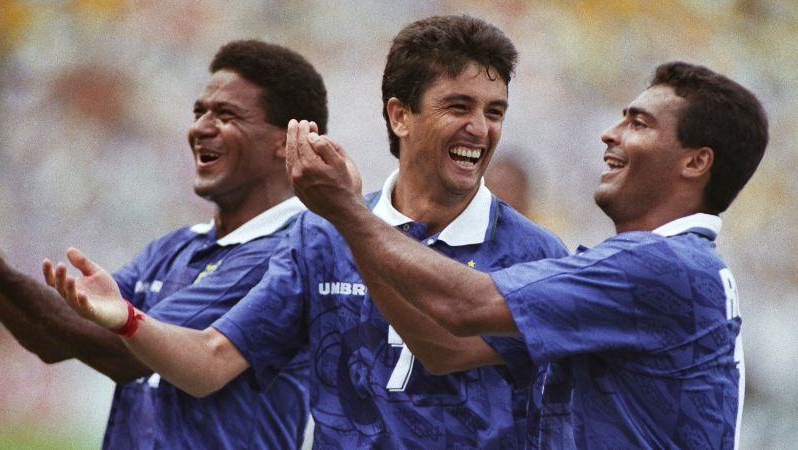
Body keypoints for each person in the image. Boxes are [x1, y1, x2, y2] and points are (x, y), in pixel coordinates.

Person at [45, 15, 569, 449]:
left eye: (493, 112)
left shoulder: (533, 252)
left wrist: (346, 216)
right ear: (400, 115)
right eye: (459, 107)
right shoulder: (318, 236)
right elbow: (210, 361)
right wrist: (128, 320)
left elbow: (445, 348)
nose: (480, 128)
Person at [284, 61, 769, 448]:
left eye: (638, 123)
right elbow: (444, 348)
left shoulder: (664, 266)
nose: (610, 133)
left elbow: (466, 305)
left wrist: (347, 212)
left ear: (695, 161)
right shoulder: (650, 271)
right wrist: (353, 222)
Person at [0, 39, 328, 449]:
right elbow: (57, 338)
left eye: (226, 115)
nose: (200, 127)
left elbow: (121, 353)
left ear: (286, 141)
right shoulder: (175, 247)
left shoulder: (288, 253)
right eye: (199, 112)